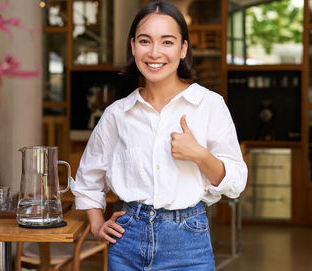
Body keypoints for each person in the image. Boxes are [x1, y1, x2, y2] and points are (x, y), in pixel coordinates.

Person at [71, 2, 247, 270]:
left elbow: (236, 182)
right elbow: (88, 179)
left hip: (188, 242)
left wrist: (199, 155)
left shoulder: (208, 105)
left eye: (167, 42)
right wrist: (96, 224)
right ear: (133, 46)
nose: (155, 52)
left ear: (183, 49)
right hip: (126, 241)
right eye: (145, 41)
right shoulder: (117, 114)